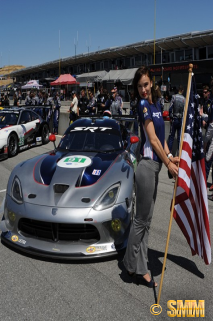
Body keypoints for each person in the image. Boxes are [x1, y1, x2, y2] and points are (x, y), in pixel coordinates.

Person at [122, 66, 179, 288]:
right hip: (146, 166)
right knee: (141, 221)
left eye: (146, 84)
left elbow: (162, 140)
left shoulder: (156, 105)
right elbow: (152, 141)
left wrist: (171, 156)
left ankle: (141, 266)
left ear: (152, 84)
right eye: (139, 86)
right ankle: (130, 266)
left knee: (146, 221)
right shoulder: (143, 105)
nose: (143, 89)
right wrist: (168, 163)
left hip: (155, 166)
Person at [168, 85, 185, 155]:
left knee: (171, 137)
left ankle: (169, 153)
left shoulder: (174, 97)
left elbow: (170, 108)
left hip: (174, 119)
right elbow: (185, 110)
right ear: (182, 90)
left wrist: (171, 117)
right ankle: (179, 154)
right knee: (179, 138)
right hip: (181, 119)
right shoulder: (184, 99)